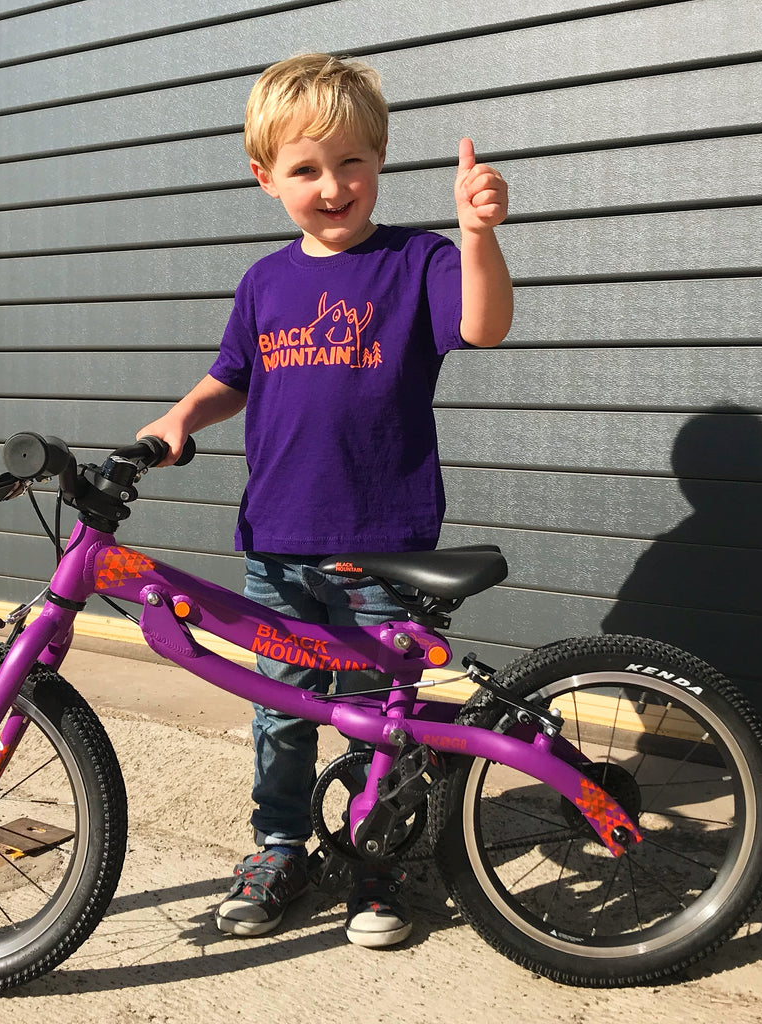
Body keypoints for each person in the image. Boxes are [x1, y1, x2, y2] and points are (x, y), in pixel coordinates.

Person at [137, 52, 512, 947]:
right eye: (306, 169)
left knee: (387, 713)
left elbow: (483, 326)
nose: (333, 185)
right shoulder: (266, 283)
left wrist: (478, 234)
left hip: (382, 540)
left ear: (379, 160)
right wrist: (184, 414)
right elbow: (233, 377)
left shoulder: (415, 261)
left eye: (351, 162)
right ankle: (278, 847)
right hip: (277, 539)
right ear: (266, 178)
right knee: (283, 707)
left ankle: (377, 861)